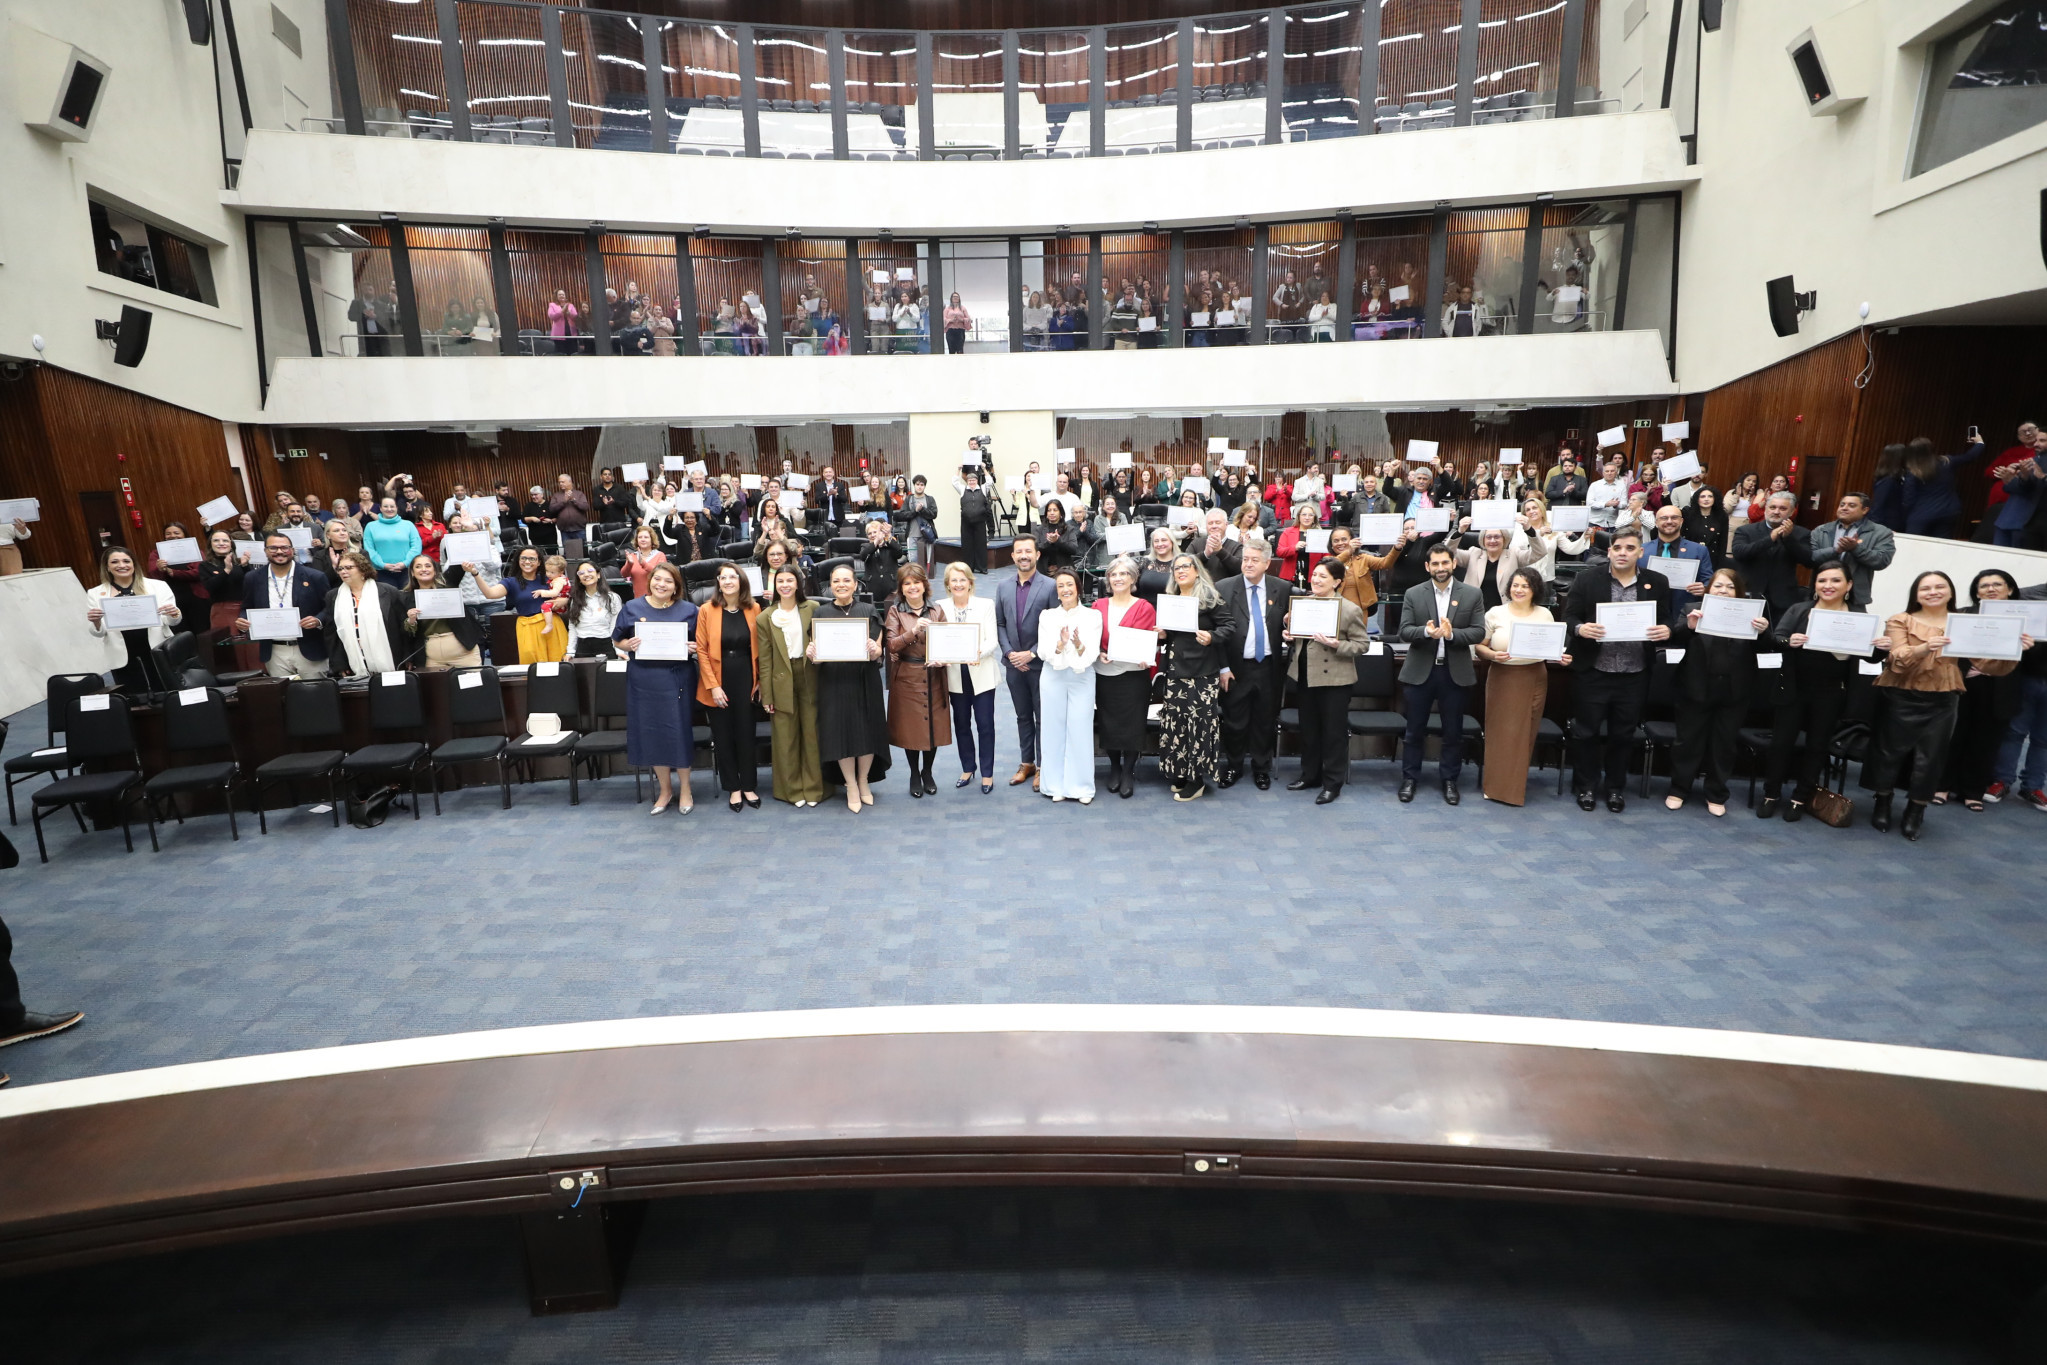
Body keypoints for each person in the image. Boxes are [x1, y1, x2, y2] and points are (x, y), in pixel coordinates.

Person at [1867, 570, 2021, 839]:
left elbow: (1987, 665)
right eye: (1926, 588)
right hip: (1901, 694)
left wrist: (2013, 651)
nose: (1933, 592)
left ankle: (1916, 810)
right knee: (1889, 754)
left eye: (1940, 586)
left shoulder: (1962, 623)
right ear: (1916, 594)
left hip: (1943, 698)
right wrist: (1925, 647)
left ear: (1951, 592)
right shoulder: (1900, 620)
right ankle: (1882, 802)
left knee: (1932, 759)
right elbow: (1897, 659)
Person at [1563, 527, 1677, 812]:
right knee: (1587, 732)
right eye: (1618, 548)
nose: (1623, 553)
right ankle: (1586, 786)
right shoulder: (1588, 579)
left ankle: (1615, 788)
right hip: (1593, 670)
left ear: (1640, 552)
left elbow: (1667, 621)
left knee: (1623, 735)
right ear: (1609, 551)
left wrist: (1667, 631)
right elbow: (1569, 615)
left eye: (1630, 548)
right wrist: (1580, 628)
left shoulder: (1657, 582)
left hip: (1634, 673)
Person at [1761, 560, 1874, 821]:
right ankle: (1771, 794)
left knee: (1816, 747)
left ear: (1849, 585)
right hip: (1793, 688)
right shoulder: (1800, 609)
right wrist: (1789, 641)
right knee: (1780, 744)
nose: (1828, 585)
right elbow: (1776, 638)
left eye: (1835, 580)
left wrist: (1880, 646)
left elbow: (1869, 657)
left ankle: (1801, 798)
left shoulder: (1858, 616)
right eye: (1822, 580)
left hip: (1831, 692)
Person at [1662, 567, 1772, 816]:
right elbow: (1675, 637)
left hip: (1735, 689)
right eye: (1719, 585)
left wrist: (1764, 631)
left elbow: (1769, 647)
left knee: (1723, 744)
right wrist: (1689, 627)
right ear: (1709, 589)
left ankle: (1716, 794)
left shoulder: (1752, 612)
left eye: (1730, 587)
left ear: (1739, 592)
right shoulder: (1692, 609)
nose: (1724, 590)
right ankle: (1679, 789)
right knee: (1687, 741)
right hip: (1695, 686)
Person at [1395, 542, 1485, 805]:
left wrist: (1452, 634)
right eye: (1435, 563)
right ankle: (1410, 779)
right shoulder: (1414, 593)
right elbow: (1404, 630)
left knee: (1453, 733)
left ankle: (1449, 781)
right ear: (1427, 567)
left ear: (1454, 563)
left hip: (1454, 673)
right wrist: (1426, 632)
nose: (1440, 568)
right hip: (1420, 672)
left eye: (1445, 562)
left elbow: (1479, 631)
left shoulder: (1471, 594)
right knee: (1413, 732)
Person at [1472, 565, 1566, 806]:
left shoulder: (1545, 615)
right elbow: (1479, 647)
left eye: (1525, 585)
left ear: (1534, 589)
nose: (1519, 590)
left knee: (1525, 732)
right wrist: (1493, 656)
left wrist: (1560, 656)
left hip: (1535, 677)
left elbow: (1550, 648)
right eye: (1515, 585)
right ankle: (1496, 788)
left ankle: (1516, 786)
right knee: (1501, 733)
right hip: (1503, 677)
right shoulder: (1495, 613)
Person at [612, 562, 698, 815]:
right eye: (657, 579)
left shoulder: (690, 610)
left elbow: (701, 642)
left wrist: (693, 647)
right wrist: (629, 645)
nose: (662, 584)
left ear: (676, 587)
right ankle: (665, 790)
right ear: (650, 581)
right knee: (653, 734)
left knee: (678, 732)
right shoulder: (632, 607)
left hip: (676, 678)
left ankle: (685, 790)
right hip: (644, 679)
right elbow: (618, 640)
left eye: (668, 581)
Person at [1283, 558, 1371, 803]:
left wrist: (1337, 644)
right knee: (1309, 730)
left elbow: (1363, 645)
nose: (1317, 580)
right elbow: (1300, 639)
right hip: (1305, 675)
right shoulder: (1302, 604)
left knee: (1333, 734)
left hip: (1335, 680)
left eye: (1323, 576)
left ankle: (1332, 783)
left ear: (1337, 581)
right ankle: (1309, 775)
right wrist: (1288, 632)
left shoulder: (1349, 609)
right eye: (1315, 575)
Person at [1944, 569, 2029, 811]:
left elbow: (2032, 663)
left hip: (2001, 688)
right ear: (1976, 592)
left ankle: (1973, 791)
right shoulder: (1961, 615)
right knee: (1953, 736)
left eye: (1997, 584)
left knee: (1986, 741)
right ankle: (1942, 785)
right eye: (1983, 586)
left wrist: (2028, 646)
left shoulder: (2024, 620)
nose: (1990, 589)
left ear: (2010, 590)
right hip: (1963, 683)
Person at [1212, 540, 1292, 790]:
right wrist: (1223, 668)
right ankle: (1234, 766)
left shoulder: (1283, 588)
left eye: (1254, 560)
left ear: (1267, 563)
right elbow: (1218, 632)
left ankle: (1260, 768)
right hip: (1236, 668)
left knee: (1264, 720)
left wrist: (1290, 628)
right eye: (1245, 559)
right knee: (1235, 721)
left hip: (1269, 666)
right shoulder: (1224, 587)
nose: (1247, 563)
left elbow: (1292, 621)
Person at [1155, 553, 1233, 801]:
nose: (1180, 571)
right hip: (1176, 671)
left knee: (1198, 728)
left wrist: (1212, 637)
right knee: (1176, 725)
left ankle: (1196, 779)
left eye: (1185, 566)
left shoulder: (1210, 598)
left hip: (1202, 673)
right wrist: (1163, 634)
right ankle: (1181, 773)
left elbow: (1229, 626)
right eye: (1176, 568)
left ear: (1197, 570)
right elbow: (1172, 636)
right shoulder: (1170, 600)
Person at [812, 562, 889, 813]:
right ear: (830, 586)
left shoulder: (868, 610)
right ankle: (851, 785)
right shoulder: (820, 613)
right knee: (840, 733)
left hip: (864, 679)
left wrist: (876, 650)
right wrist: (814, 654)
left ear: (855, 585)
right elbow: (816, 651)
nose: (841, 585)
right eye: (836, 581)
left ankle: (864, 780)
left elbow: (878, 649)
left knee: (866, 731)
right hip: (833, 682)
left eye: (847, 580)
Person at [755, 565, 825, 808]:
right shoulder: (765, 617)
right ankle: (793, 790)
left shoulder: (813, 608)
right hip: (780, 679)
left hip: (810, 675)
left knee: (812, 734)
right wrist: (766, 695)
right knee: (786, 738)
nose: (785, 585)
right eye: (780, 581)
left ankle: (815, 789)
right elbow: (764, 660)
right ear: (774, 585)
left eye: (790, 580)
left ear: (798, 583)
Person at [694, 563, 762, 813]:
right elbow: (701, 649)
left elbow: (761, 649)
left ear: (741, 581)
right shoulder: (706, 609)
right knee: (723, 736)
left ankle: (749, 786)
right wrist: (713, 686)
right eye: (723, 578)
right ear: (718, 583)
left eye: (733, 577)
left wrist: (760, 682)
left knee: (746, 733)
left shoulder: (753, 608)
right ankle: (733, 787)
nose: (728, 581)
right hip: (717, 678)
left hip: (745, 674)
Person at [995, 535, 1059, 792]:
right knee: (1022, 716)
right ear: (1012, 556)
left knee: (1042, 717)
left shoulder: (1050, 586)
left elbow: (1055, 625)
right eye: (1019, 551)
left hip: (1040, 663)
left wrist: (1031, 654)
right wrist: (1010, 653)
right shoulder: (1002, 586)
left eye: (1028, 551)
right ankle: (1027, 763)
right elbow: (1000, 624)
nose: (1023, 555)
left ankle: (1043, 767)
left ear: (1037, 555)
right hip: (1013, 665)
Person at [1091, 555, 1157, 800]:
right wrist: (1098, 651)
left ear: (1133, 579)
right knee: (1108, 724)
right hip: (1105, 673)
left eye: (1123, 574)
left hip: (1133, 675)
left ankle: (1128, 771)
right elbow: (1091, 639)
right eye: (1113, 574)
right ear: (1108, 579)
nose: (1118, 578)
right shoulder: (1098, 606)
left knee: (1132, 725)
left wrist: (1146, 655)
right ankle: (1115, 768)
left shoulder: (1144, 607)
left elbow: (1149, 642)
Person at [1033, 566, 1100, 802]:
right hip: (1053, 676)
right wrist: (1060, 645)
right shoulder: (1047, 616)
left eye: (1069, 584)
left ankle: (1081, 787)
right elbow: (1042, 651)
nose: (1065, 589)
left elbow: (1091, 654)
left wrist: (1078, 643)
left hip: (1081, 677)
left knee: (1080, 728)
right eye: (1060, 586)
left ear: (1078, 588)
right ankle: (1054, 786)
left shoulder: (1093, 616)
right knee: (1052, 729)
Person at [884, 563, 951, 798]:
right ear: (902, 588)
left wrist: (945, 658)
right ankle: (914, 773)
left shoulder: (937, 609)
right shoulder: (895, 611)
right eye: (907, 583)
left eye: (916, 582)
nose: (912, 587)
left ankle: (928, 772)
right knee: (911, 730)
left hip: (933, 675)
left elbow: (946, 642)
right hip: (907, 677)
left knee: (932, 728)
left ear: (924, 584)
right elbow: (891, 645)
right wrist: (913, 632)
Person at [84, 545, 183, 691]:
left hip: (156, 648)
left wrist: (173, 613)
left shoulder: (158, 586)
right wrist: (96, 622)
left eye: (126, 561)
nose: (121, 565)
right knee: (133, 696)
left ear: (134, 564)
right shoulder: (95, 593)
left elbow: (172, 621)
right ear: (107, 567)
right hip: (122, 653)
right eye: (115, 562)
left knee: (167, 691)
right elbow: (98, 633)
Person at [319, 550, 406, 678]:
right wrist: (339, 664)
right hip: (353, 661)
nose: (343, 571)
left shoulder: (388, 591)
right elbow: (332, 634)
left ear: (363, 570)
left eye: (349, 567)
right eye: (340, 568)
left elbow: (401, 627)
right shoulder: (333, 596)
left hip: (391, 658)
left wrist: (406, 657)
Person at [1731, 492, 1815, 617]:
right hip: (1750, 595)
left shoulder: (1801, 533)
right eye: (1772, 507)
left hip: (1783, 599)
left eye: (1783, 508)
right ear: (1765, 509)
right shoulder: (1745, 530)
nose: (1776, 512)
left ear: (1791, 512)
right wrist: (1770, 539)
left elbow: (1808, 561)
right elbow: (1739, 553)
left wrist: (1789, 539)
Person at [398, 554, 484, 670]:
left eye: (428, 566)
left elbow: (458, 560)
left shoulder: (448, 584)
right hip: (432, 657)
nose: (423, 569)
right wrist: (411, 620)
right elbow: (405, 633)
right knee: (438, 688)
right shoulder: (405, 597)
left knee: (472, 686)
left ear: (435, 570)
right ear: (412, 573)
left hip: (464, 651)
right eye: (418, 567)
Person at [1808, 492, 1895, 606]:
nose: (1844, 508)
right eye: (1842, 505)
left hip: (1855, 598)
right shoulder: (1821, 530)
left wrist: (1856, 549)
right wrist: (1836, 550)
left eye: (1851, 505)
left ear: (1865, 510)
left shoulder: (1881, 533)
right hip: (1822, 595)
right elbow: (1810, 557)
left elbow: (1882, 560)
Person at [493, 546, 566, 665]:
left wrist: (565, 601)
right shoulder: (511, 582)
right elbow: (490, 594)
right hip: (527, 626)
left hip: (552, 624)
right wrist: (476, 574)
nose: (527, 562)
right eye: (523, 558)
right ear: (518, 560)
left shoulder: (549, 578)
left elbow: (568, 591)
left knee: (559, 664)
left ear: (539, 562)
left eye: (532, 559)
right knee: (533, 665)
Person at [1901, 434, 1984, 538]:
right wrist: (1979, 443)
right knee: (1941, 547)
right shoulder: (1946, 461)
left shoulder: (1914, 471)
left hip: (1922, 513)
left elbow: (1909, 498)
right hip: (1948, 511)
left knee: (1913, 546)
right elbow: (1969, 456)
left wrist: (1906, 515)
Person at [562, 561, 622, 659]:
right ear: (579, 579)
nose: (586, 575)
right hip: (582, 647)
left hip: (606, 645)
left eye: (590, 571)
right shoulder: (575, 599)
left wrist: (619, 650)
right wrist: (570, 652)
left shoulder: (612, 598)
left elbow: (615, 626)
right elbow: (573, 627)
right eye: (581, 573)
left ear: (598, 575)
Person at [361, 497, 423, 589]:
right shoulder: (371, 526)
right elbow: (369, 549)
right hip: (381, 571)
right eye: (386, 506)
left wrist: (405, 563)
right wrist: (383, 565)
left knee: (407, 599)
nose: (389, 509)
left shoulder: (408, 525)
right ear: (380, 508)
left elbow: (416, 546)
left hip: (407, 570)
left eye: (392, 506)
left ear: (396, 508)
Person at [956, 468, 995, 574]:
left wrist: (984, 468)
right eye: (969, 481)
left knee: (981, 545)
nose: (971, 482)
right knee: (967, 545)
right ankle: (969, 568)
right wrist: (958, 469)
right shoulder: (963, 490)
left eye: (973, 480)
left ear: (977, 480)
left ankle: (982, 567)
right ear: (967, 481)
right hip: (966, 523)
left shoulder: (982, 489)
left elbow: (990, 481)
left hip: (980, 522)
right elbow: (954, 482)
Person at [1682, 485, 1731, 565]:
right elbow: (1671, 512)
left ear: (1715, 499)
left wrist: (1721, 563)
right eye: (1702, 496)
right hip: (1690, 557)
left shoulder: (1722, 516)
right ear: (1697, 499)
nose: (1706, 499)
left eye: (1710, 496)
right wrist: (1666, 493)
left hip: (1712, 558)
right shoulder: (1688, 513)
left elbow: (1723, 541)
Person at [621, 525, 668, 599]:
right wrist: (629, 564)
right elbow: (624, 575)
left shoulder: (660, 555)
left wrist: (643, 563)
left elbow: (659, 573)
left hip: (657, 599)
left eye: (646, 537)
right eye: (640, 537)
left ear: (652, 540)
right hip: (638, 600)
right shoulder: (632, 556)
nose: (642, 540)